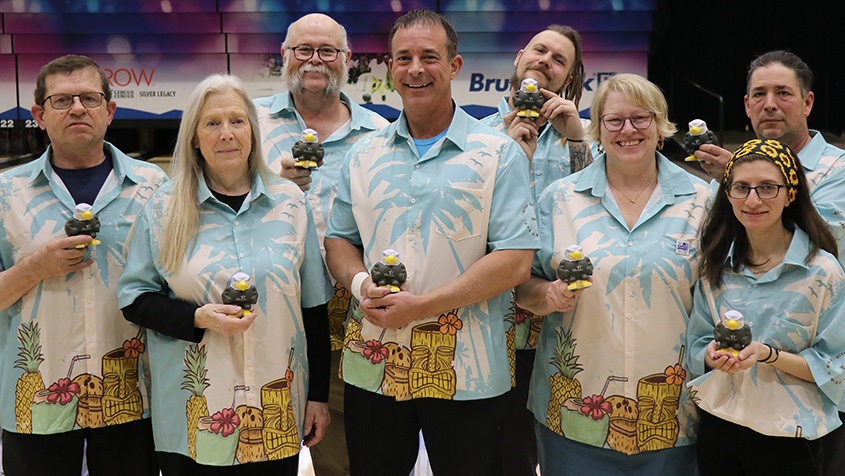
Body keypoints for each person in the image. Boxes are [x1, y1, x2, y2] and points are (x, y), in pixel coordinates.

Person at [324, 9, 539, 476]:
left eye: (429, 56)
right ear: (389, 67)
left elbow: (516, 260)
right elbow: (338, 240)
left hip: (469, 371)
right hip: (375, 366)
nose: (415, 69)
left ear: (455, 66)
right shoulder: (362, 154)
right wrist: (362, 284)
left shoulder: (497, 154)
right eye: (403, 58)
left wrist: (420, 307)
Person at [118, 74, 333, 475]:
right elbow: (134, 298)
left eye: (237, 121)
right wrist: (195, 318)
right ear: (194, 138)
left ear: (252, 130)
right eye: (212, 123)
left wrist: (318, 396)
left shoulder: (289, 203)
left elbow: (314, 307)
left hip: (276, 408)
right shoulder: (163, 208)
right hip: (193, 414)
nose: (227, 134)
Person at [515, 73, 713, 475]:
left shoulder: (701, 201)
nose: (628, 130)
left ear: (660, 128)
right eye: (614, 121)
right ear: (598, 131)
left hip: (673, 416)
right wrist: (547, 294)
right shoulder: (558, 199)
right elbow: (520, 285)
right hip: (574, 416)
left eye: (641, 118)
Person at [0, 54, 167, 476]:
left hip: (135, 392)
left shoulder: (155, 187)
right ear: (38, 115)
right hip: (38, 396)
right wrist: (34, 267)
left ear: (110, 111)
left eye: (89, 98)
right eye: (62, 100)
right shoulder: (6, 193)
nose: (77, 108)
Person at [253, 13, 389, 476]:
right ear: (284, 57)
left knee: (348, 460)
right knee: (256, 444)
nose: (315, 60)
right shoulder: (246, 121)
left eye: (328, 51)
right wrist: (269, 184)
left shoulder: (380, 135)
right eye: (303, 50)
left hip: (353, 316)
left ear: (347, 60)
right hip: (266, 314)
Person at [478, 24, 597, 476]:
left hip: (553, 321)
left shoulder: (582, 140)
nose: (546, 60)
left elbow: (596, 209)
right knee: (475, 449)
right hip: (484, 316)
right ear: (519, 58)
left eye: (559, 59)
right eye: (540, 50)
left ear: (568, 80)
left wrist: (578, 138)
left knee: (528, 454)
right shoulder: (476, 135)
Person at [686, 139, 845, 476]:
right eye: (741, 188)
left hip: (790, 435)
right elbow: (697, 342)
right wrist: (710, 356)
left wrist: (766, 354)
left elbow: (837, 366)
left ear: (790, 194)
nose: (753, 200)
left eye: (767, 188)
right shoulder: (716, 265)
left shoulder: (823, 272)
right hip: (720, 426)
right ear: (727, 195)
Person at [694, 51, 845, 263]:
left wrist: (742, 181)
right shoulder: (732, 174)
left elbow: (827, 246)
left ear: (807, 103)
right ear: (747, 106)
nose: (770, 104)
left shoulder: (840, 170)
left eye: (783, 93)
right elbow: (705, 243)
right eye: (759, 94)